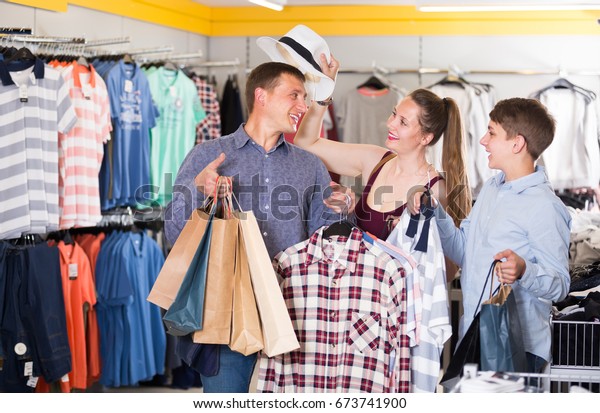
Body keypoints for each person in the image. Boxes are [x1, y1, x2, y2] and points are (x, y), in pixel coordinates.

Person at [163, 61, 342, 392]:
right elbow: (173, 234)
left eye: (304, 98)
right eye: (294, 95)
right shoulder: (208, 155)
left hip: (292, 315)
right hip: (226, 314)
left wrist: (343, 210)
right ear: (261, 96)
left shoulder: (309, 166)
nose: (303, 106)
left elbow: (326, 240)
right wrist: (196, 192)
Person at [410, 97, 571, 373]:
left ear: (517, 144)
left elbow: (560, 285)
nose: (483, 141)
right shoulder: (492, 189)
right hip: (475, 339)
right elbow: (464, 251)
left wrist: (524, 270)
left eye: (492, 132)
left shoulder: (546, 207)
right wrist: (434, 211)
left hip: (519, 353)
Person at [293, 55, 472, 280]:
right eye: (394, 114)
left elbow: (448, 271)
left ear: (426, 138)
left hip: (399, 309)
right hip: (357, 301)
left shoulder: (435, 191)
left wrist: (413, 239)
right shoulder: (374, 160)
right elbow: (305, 144)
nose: (390, 123)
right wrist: (324, 92)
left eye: (403, 122)